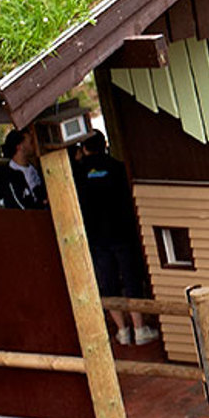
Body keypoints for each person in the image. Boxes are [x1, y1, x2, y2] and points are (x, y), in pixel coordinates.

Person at [73, 131, 157, 346]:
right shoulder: (118, 167)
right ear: (105, 145)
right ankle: (140, 329)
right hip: (122, 233)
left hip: (96, 237)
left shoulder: (78, 172)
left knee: (107, 283)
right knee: (131, 279)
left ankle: (122, 331)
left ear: (84, 149)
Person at [0, 128, 48, 209]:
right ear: (19, 147)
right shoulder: (9, 176)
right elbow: (17, 204)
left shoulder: (34, 169)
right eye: (31, 142)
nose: (34, 145)